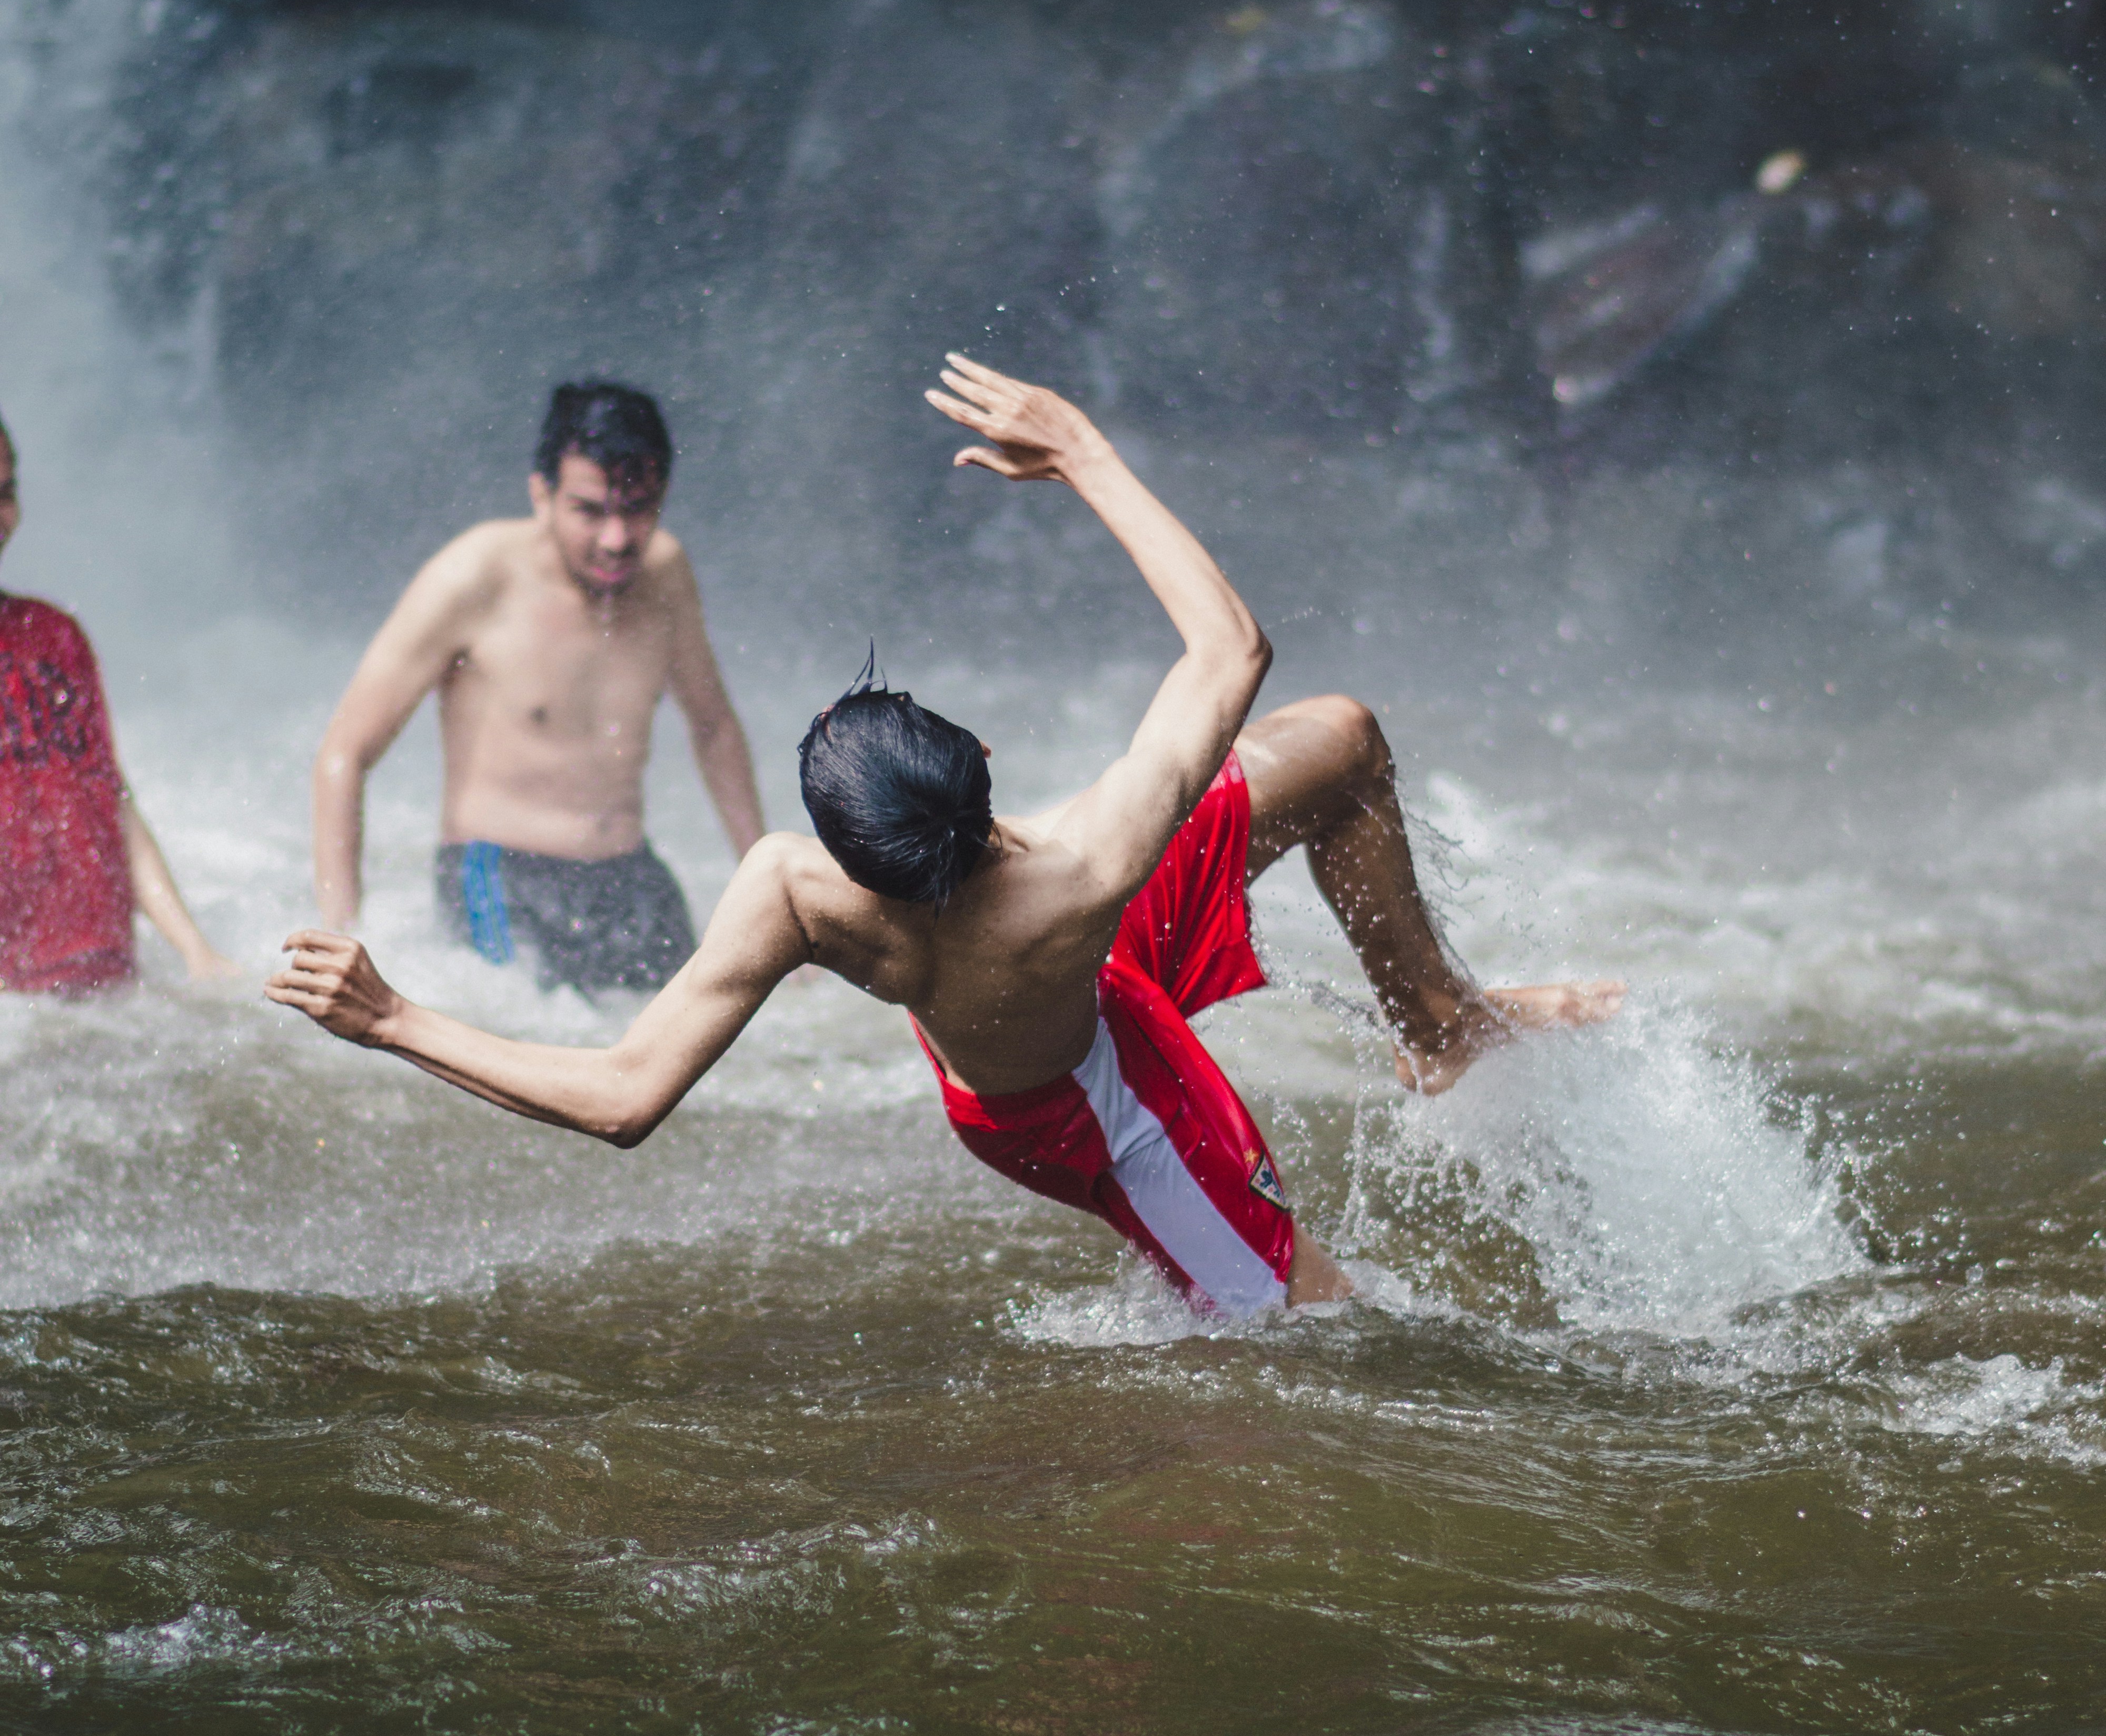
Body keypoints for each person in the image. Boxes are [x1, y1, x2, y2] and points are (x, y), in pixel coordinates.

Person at [273, 362, 1620, 1316]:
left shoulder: (799, 892)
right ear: (979, 763)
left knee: (1336, 744)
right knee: (1321, 1327)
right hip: (1086, 1094)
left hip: (1060, 975)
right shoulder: (1095, 849)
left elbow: (624, 1099)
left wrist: (391, 1017)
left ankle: (1439, 1021)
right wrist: (1083, 451)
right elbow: (1232, 645)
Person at [312, 381, 766, 995]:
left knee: (716, 1046)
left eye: (638, 508)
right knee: (521, 1054)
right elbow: (345, 752)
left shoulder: (664, 573)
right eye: (590, 510)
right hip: (500, 877)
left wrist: (765, 886)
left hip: (632, 876)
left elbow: (712, 727)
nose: (616, 538)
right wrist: (343, 934)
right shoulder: (473, 577)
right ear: (541, 494)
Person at [0, 413, 238, 994]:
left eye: (6, 493)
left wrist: (196, 949)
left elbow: (109, 796)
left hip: (100, 968)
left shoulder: (54, 635)